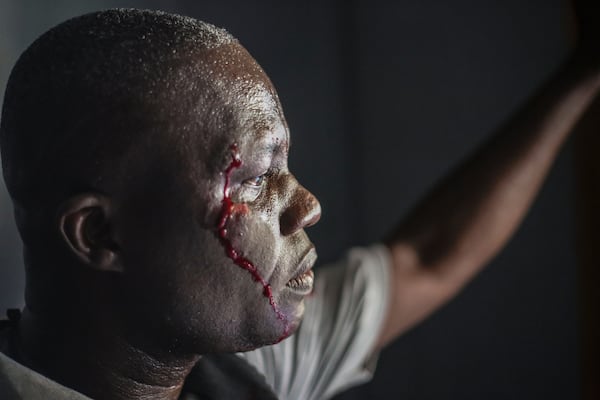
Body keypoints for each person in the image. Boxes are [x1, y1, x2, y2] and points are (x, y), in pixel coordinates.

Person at [0, 5, 598, 400]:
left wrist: (583, 72)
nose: (307, 206)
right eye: (258, 178)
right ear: (100, 234)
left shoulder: (242, 374)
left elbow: (430, 257)